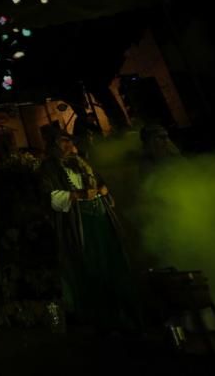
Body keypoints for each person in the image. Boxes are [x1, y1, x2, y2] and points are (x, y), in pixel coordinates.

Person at [38, 133, 142, 333]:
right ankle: (98, 314)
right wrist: (77, 195)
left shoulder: (83, 163)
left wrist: (102, 191)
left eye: (70, 141)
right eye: (64, 142)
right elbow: (49, 196)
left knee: (111, 259)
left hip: (100, 218)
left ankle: (124, 309)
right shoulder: (49, 169)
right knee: (89, 263)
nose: (70, 145)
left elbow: (100, 184)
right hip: (79, 223)